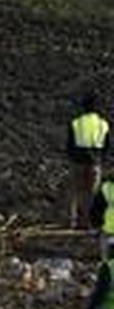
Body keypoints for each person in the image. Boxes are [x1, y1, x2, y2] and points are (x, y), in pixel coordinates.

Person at [67, 94, 110, 229]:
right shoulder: (103, 124)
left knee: (76, 192)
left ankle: (75, 222)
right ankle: (90, 222)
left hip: (78, 161)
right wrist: (100, 159)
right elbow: (107, 146)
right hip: (95, 162)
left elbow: (69, 144)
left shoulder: (76, 123)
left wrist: (72, 157)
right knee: (92, 193)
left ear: (83, 107)